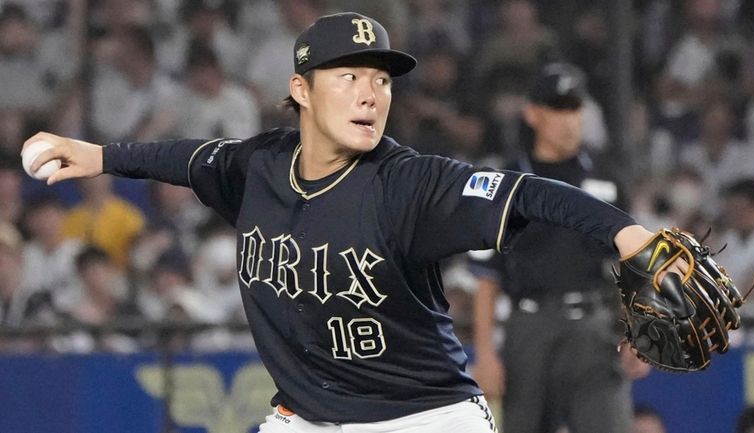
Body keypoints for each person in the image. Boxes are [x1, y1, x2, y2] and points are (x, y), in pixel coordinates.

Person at [24, 12, 672, 433]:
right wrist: (100, 155)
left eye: (382, 79)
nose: (371, 92)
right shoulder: (258, 166)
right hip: (307, 416)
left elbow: (527, 193)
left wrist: (626, 232)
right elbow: (185, 158)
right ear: (302, 90)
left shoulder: (412, 184)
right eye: (350, 75)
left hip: (423, 417)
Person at [470, 62, 650, 433]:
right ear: (533, 113)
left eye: (574, 108)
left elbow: (630, 265)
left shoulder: (605, 177)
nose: (568, 119)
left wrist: (639, 330)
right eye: (557, 108)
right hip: (528, 327)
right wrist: (485, 354)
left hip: (596, 326)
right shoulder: (505, 182)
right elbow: (486, 276)